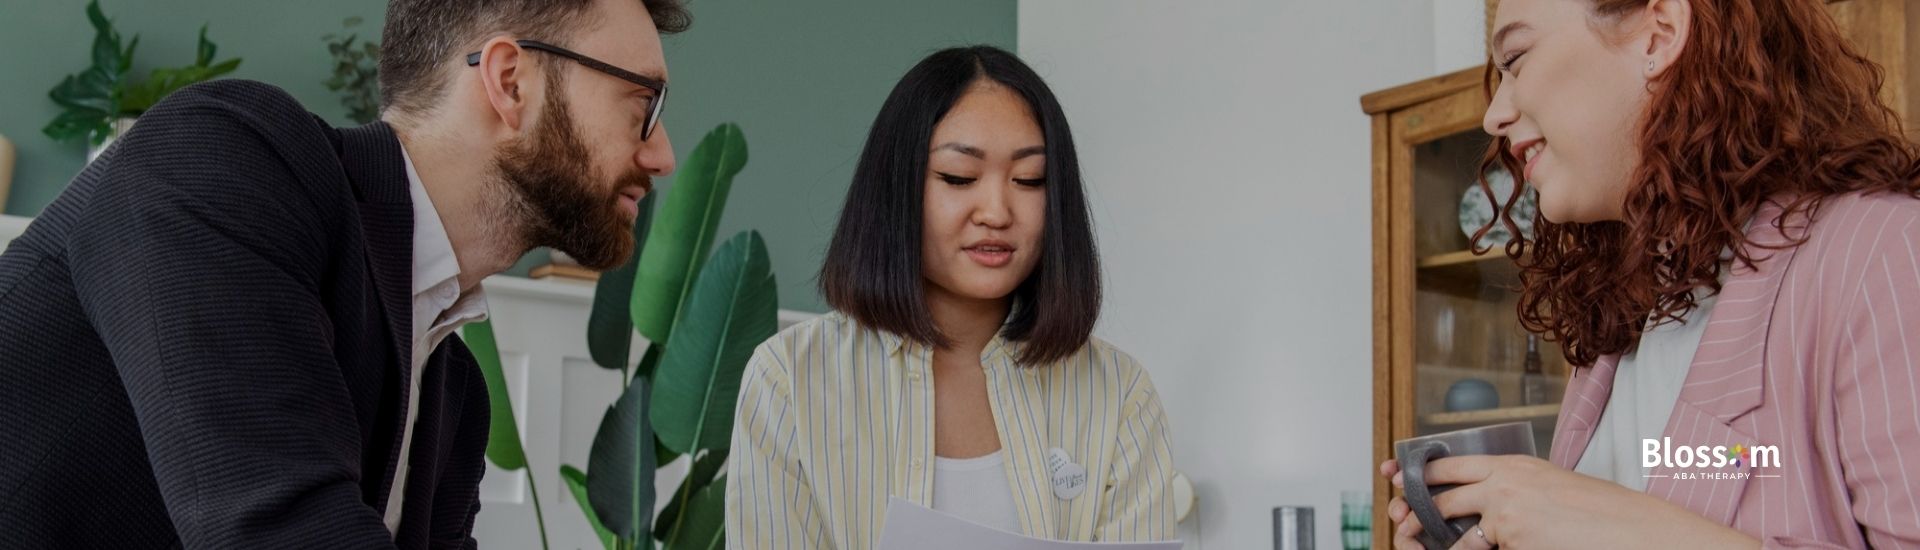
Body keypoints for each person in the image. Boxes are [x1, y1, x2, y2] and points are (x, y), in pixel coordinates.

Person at [0, 0, 687, 546]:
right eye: (643, 105)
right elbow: (278, 531)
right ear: (511, 81)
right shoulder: (226, 155)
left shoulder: (455, 396)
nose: (663, 157)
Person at [1382, 0, 1920, 548]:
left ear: (1659, 34)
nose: (1493, 116)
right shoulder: (1623, 323)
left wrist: (1605, 524)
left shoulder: (1883, 251)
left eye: (1516, 58)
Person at [724, 45, 1177, 549]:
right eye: (959, 177)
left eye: (1030, 180)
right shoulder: (789, 380)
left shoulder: (1120, 395)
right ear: (897, 188)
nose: (997, 211)